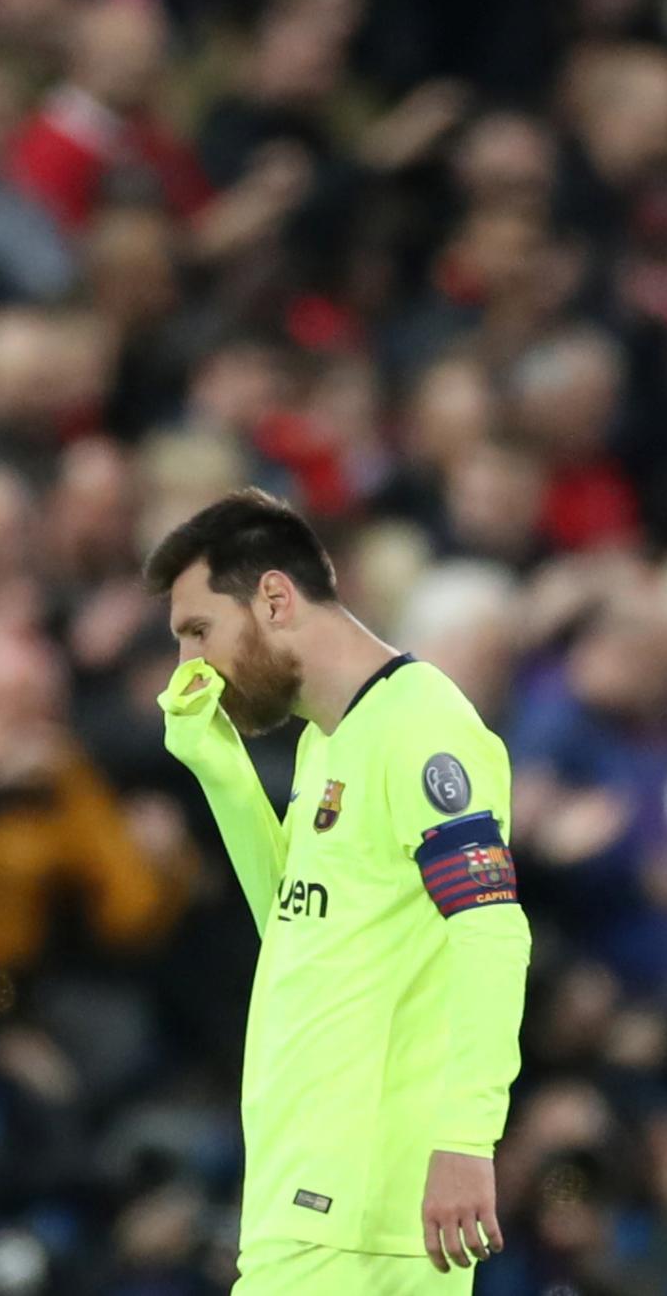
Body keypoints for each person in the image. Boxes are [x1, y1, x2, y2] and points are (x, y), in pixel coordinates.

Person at [145, 489, 530, 1291]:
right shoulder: (330, 741)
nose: (189, 667)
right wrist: (221, 772)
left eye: (198, 632)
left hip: (358, 1212)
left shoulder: (422, 727)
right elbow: (293, 926)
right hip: (311, 1203)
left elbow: (493, 935)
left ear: (275, 599)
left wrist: (466, 1137)